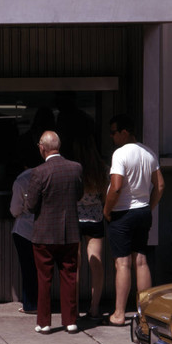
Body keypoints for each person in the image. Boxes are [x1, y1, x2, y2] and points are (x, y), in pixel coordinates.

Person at [103, 114, 165, 326]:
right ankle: (145, 314)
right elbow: (160, 185)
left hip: (122, 213)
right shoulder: (149, 153)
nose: (112, 136)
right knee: (141, 260)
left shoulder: (120, 154)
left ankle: (119, 314)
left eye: (114, 132)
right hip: (143, 211)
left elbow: (116, 186)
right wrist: (150, 206)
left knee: (122, 263)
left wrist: (107, 210)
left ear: (124, 132)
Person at [26, 131, 83, 334]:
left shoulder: (39, 172)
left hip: (44, 234)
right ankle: (70, 320)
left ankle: (44, 322)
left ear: (42, 147)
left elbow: (31, 206)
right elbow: (79, 195)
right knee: (69, 276)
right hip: (69, 232)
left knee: (44, 279)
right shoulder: (76, 168)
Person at [73, 135, 108, 321]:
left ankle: (75, 308)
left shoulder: (73, 168)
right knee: (96, 263)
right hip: (95, 217)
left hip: (75, 217)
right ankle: (94, 307)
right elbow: (105, 194)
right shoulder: (101, 168)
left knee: (75, 265)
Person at [10, 159, 39, 314]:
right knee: (43, 269)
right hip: (45, 229)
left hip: (24, 230)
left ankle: (30, 303)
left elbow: (14, 209)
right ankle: (41, 302)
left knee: (28, 269)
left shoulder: (21, 180)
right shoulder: (47, 175)